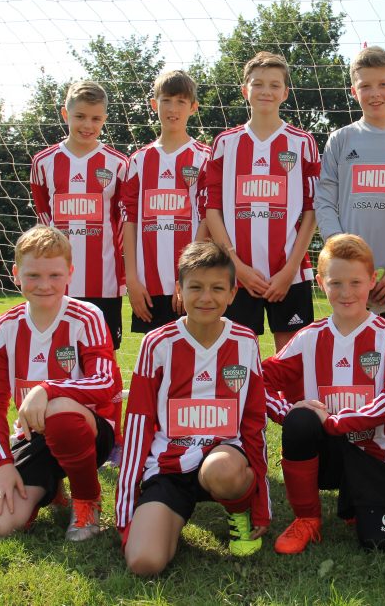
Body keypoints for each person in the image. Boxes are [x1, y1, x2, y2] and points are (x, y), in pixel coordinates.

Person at [115, 241, 270, 576]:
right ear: (179, 290)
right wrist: (126, 510)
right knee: (144, 562)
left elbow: (254, 421)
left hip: (223, 458)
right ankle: (165, 518)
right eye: (195, 287)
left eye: (217, 288)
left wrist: (260, 502)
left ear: (232, 293)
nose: (206, 297)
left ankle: (238, 510)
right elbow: (139, 423)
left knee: (222, 471)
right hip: (169, 466)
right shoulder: (156, 344)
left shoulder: (245, 341)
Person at [314, 45, 385, 480]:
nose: (375, 93)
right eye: (366, 86)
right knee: (350, 362)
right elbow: (324, 200)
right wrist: (340, 253)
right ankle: (352, 442)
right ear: (354, 90)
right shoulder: (341, 140)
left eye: (383, 84)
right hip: (349, 280)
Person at [262, 234, 385, 554]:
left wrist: (333, 421)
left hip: (374, 454)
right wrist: (289, 412)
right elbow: (259, 381)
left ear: (372, 281)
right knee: (300, 420)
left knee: (379, 541)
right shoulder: (309, 337)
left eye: (356, 282)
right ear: (320, 283)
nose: (346, 293)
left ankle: (359, 500)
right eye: (336, 283)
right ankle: (307, 518)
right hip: (327, 455)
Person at [0, 225, 122, 541]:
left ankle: (87, 499)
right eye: (33, 275)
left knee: (59, 412)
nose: (44, 285)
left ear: (70, 273)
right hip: (34, 435)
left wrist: (47, 389)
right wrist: (2, 465)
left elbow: (107, 382)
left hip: (89, 432)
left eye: (55, 275)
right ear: (16, 274)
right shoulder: (6, 326)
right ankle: (52, 487)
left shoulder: (87, 317)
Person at [201, 51, 319, 353]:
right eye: (258, 84)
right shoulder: (225, 143)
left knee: (292, 359)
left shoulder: (302, 142)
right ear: (245, 90)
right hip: (236, 274)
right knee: (236, 359)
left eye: (274, 85)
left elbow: (312, 209)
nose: (266, 91)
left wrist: (290, 269)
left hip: (289, 274)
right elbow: (212, 209)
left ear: (285, 92)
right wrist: (236, 265)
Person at [30, 80, 128, 350]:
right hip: (57, 282)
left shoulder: (118, 163)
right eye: (80, 116)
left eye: (96, 119)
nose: (88, 125)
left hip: (104, 282)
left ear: (105, 119)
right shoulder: (43, 162)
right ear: (65, 114)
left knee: (104, 352)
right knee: (57, 351)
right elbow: (44, 216)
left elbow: (121, 221)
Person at [121, 69, 212, 335]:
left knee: (194, 351)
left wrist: (188, 276)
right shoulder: (138, 161)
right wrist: (132, 280)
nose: (173, 109)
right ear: (154, 104)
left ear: (193, 107)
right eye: (166, 101)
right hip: (147, 285)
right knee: (154, 354)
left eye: (181, 101)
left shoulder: (204, 157)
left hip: (190, 282)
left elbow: (207, 218)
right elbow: (129, 220)